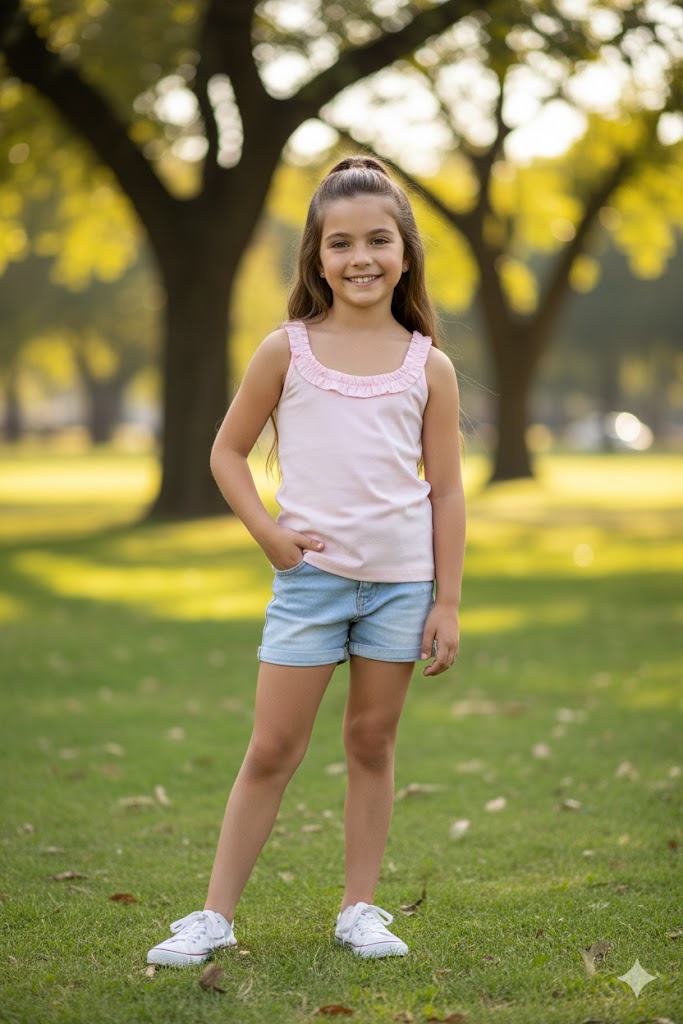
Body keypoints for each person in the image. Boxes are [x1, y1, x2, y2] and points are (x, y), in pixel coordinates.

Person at [147, 155, 466, 966]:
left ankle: (359, 909)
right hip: (310, 584)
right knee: (271, 749)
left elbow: (448, 493)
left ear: (404, 252)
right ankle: (214, 916)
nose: (361, 258)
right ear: (316, 258)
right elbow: (225, 452)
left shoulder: (427, 364)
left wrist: (446, 602)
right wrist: (267, 532)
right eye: (341, 243)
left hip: (400, 587)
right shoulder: (285, 350)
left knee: (371, 742)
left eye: (378, 240)